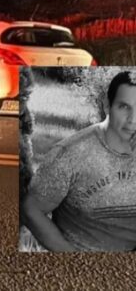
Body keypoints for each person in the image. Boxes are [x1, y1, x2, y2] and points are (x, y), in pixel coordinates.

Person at [21, 71, 136, 252]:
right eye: (124, 107)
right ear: (107, 106)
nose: (133, 120)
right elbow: (31, 210)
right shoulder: (70, 154)